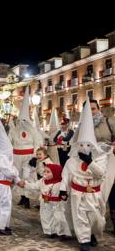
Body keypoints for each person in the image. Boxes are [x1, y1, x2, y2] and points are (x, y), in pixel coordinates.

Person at [60, 98, 110, 251]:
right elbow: (66, 174)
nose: (84, 148)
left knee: (95, 218)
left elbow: (100, 173)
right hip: (77, 192)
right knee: (80, 216)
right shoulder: (73, 159)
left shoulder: (100, 157)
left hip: (93, 193)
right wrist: (63, 189)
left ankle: (92, 233)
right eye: (81, 145)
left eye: (88, 145)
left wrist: (89, 162)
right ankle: (84, 240)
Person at [9, 87, 44, 209]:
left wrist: (35, 156)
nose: (23, 122)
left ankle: (28, 198)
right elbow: (10, 142)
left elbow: (38, 143)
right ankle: (22, 197)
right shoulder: (14, 131)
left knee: (28, 176)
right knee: (18, 176)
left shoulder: (33, 132)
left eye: (25, 120)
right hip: (16, 156)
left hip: (28, 156)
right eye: (21, 120)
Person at [19, 164, 72, 239]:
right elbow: (34, 186)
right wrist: (26, 185)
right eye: (44, 171)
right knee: (46, 217)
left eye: (48, 172)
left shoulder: (60, 184)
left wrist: (65, 196)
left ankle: (62, 233)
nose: (45, 173)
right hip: (45, 203)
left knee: (59, 218)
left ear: (56, 173)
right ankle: (49, 231)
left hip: (57, 204)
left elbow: (67, 191)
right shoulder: (42, 181)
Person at [86, 99, 115, 236]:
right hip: (91, 161)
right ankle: (92, 230)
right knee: (94, 194)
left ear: (98, 109)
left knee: (111, 191)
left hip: (109, 159)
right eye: (88, 109)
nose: (91, 112)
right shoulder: (83, 125)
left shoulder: (109, 122)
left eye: (93, 108)